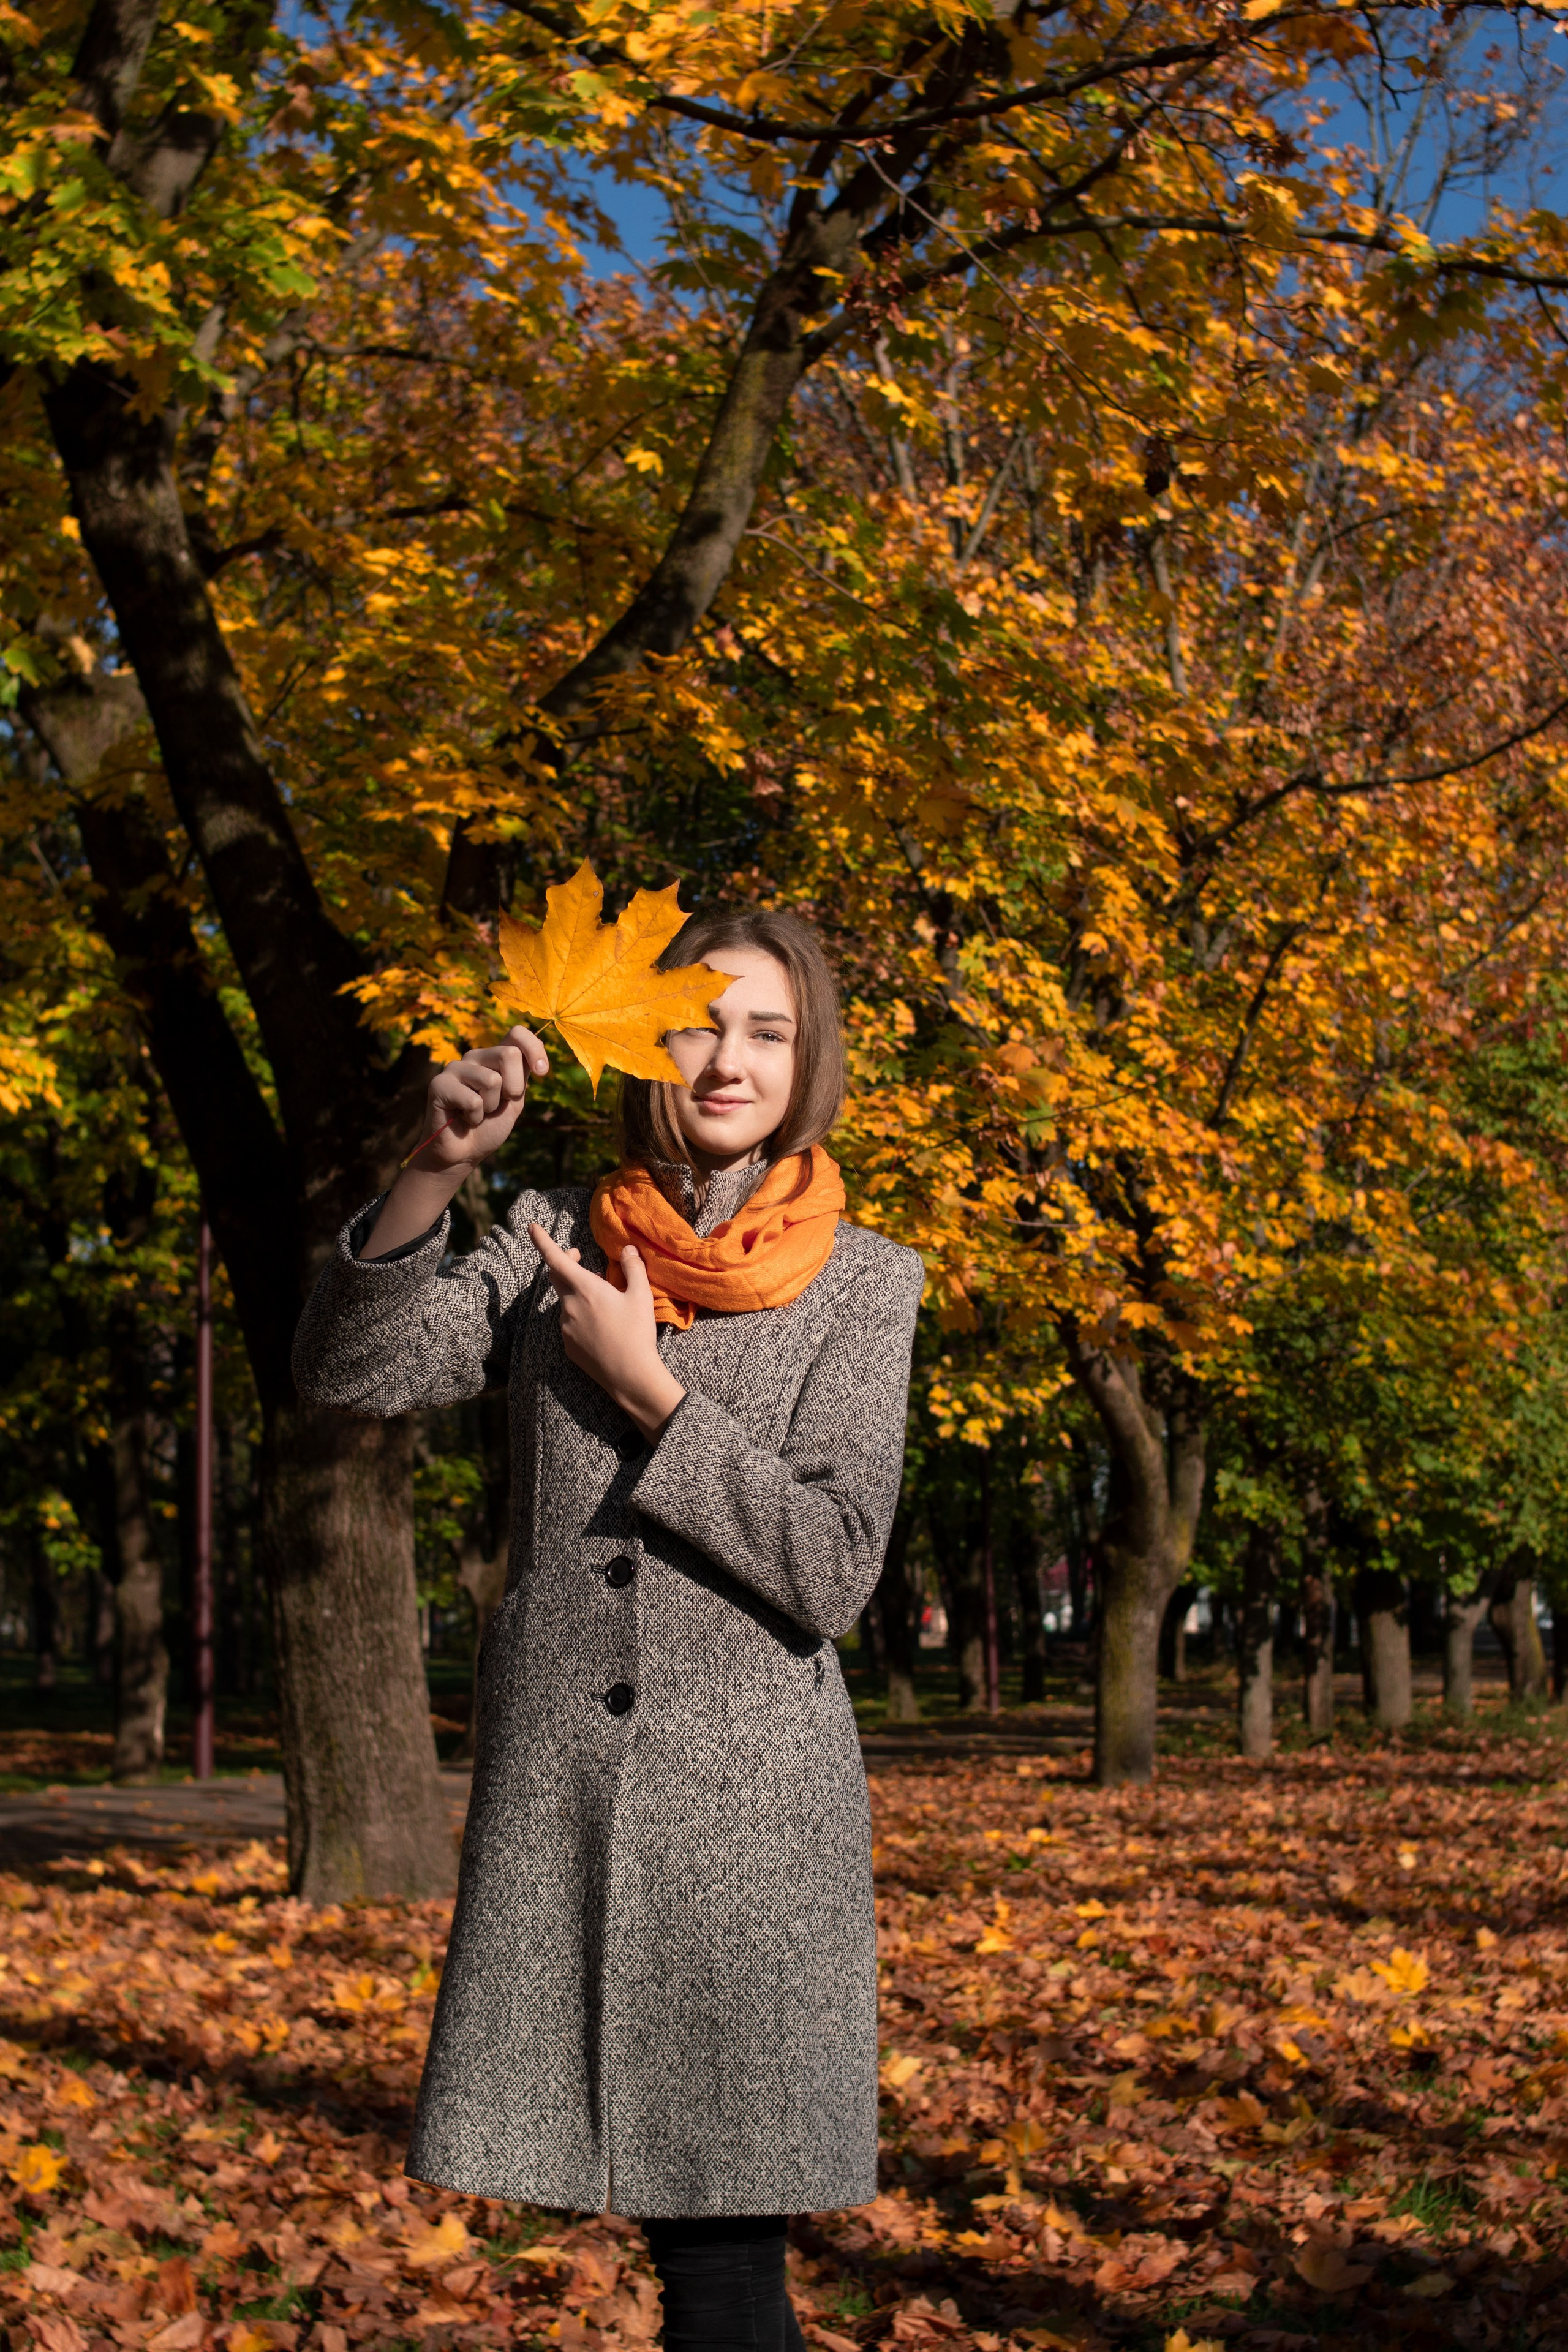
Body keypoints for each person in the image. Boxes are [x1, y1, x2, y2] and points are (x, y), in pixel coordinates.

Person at [292, 905, 924, 2352]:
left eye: (767, 1031)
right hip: (565, 1794)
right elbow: (351, 1370)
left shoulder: (867, 1279)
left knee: (720, 2260)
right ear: (645, 1039)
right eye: (700, 1021)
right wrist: (432, 1171)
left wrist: (652, 1395)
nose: (727, 1060)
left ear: (808, 1058)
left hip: (753, 1818)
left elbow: (833, 1569)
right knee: (658, 2252)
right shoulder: (543, 1236)